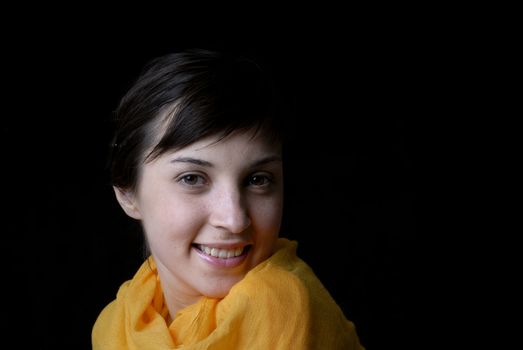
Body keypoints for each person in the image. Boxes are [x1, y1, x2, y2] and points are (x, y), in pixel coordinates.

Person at [92, 48, 365, 349]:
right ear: (127, 193)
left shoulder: (284, 312)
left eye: (257, 180)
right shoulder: (115, 326)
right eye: (192, 178)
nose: (235, 219)